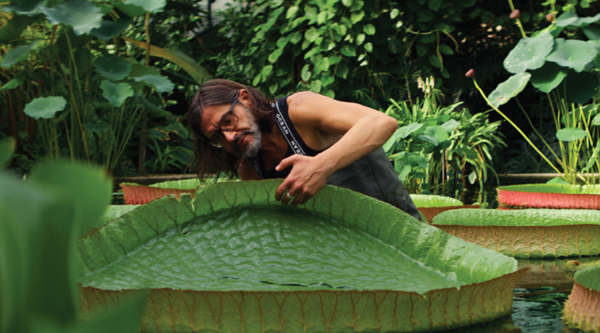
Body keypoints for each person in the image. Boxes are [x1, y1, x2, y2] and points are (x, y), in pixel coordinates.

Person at [188, 79, 421, 220]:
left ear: (245, 98)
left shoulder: (298, 109)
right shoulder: (250, 168)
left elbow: (382, 123)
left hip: (396, 228)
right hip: (344, 257)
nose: (230, 136)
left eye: (228, 120)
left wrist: (321, 166)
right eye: (218, 136)